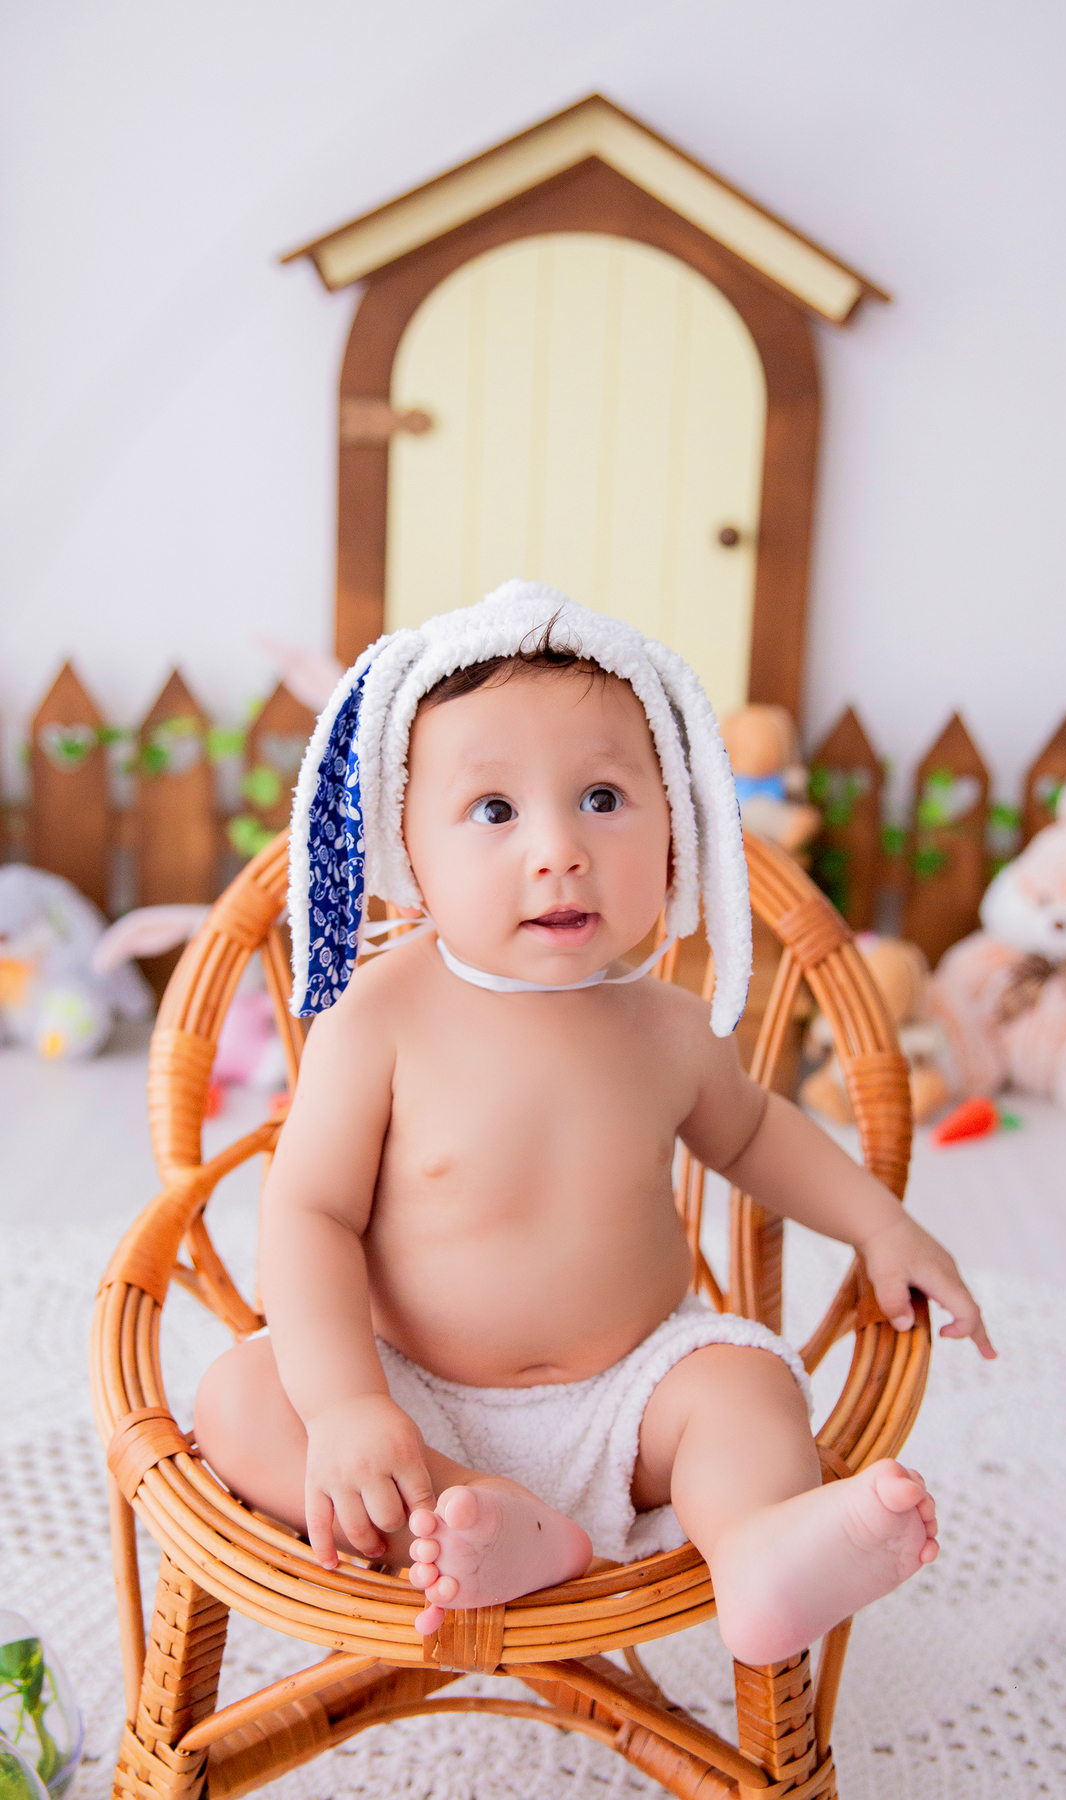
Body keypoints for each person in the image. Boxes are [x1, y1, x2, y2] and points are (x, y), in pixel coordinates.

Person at [194, 582, 994, 1666]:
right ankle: (476, 1519)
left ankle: (757, 1550)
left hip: (631, 1395)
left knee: (746, 1389)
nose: (559, 850)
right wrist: (344, 1406)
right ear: (408, 849)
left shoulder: (664, 1026)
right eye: (494, 811)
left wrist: (880, 1225)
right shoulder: (379, 1017)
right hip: (411, 1396)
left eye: (606, 799)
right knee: (241, 1396)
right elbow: (309, 1213)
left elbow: (756, 1135)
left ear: (677, 826)